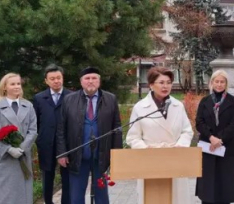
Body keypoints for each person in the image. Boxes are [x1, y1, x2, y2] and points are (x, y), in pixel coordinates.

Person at [126, 67, 193, 204]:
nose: (165, 86)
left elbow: (187, 131)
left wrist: (181, 145)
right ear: (151, 85)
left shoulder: (177, 105)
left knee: (177, 198)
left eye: (168, 82)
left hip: (174, 158)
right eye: (161, 82)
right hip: (151, 160)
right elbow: (133, 137)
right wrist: (145, 150)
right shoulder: (140, 107)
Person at [56, 67, 122, 204]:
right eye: (87, 78)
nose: (90, 81)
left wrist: (117, 155)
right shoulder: (69, 100)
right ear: (81, 82)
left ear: (99, 81)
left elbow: (117, 128)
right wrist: (62, 153)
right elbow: (61, 128)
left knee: (102, 194)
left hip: (102, 154)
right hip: (77, 154)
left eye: (94, 78)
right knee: (76, 195)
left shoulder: (110, 99)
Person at [195, 70, 234, 204]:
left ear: (226, 84)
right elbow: (199, 122)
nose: (219, 84)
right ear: (212, 82)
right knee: (207, 179)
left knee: (224, 180)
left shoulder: (233, 102)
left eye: (222, 82)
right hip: (208, 145)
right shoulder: (205, 101)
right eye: (217, 81)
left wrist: (220, 139)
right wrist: (211, 137)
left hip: (226, 146)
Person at [33, 64, 71, 204]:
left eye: (58, 78)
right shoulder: (39, 98)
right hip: (46, 143)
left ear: (62, 78)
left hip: (67, 143)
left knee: (66, 176)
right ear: (46, 81)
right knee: (47, 176)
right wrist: (40, 138)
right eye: (52, 78)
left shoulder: (71, 96)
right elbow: (35, 121)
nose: (56, 81)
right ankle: (48, 202)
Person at [0, 73, 37, 204]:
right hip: (5, 159)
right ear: (5, 87)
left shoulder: (28, 105)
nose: (17, 86)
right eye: (13, 84)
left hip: (23, 156)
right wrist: (9, 149)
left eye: (18, 84)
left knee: (24, 195)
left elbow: (33, 130)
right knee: (7, 195)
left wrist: (21, 148)